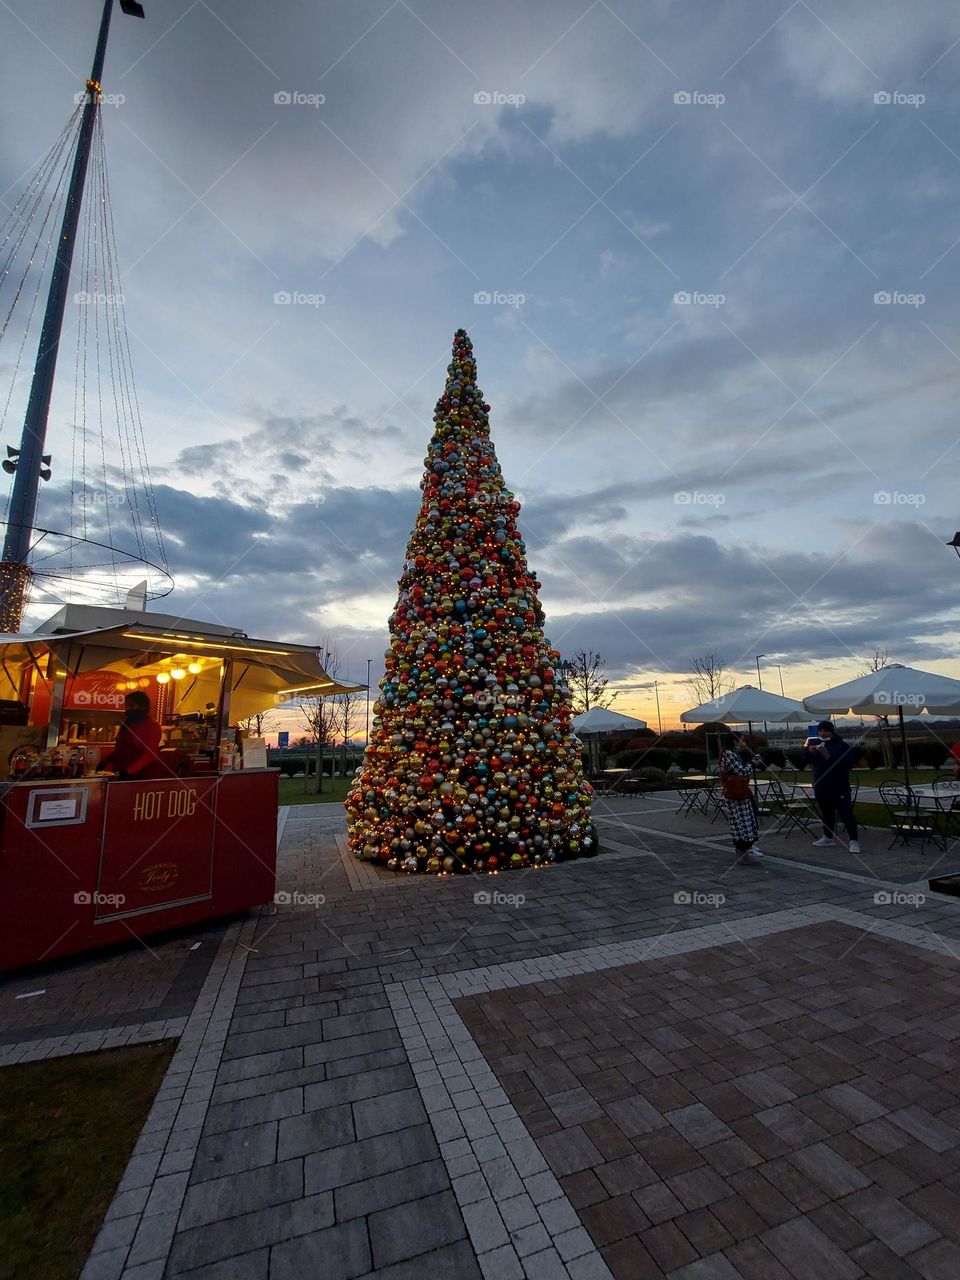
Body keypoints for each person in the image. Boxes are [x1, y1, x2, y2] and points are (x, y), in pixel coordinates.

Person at [803, 720, 860, 853]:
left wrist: (827, 755)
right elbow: (805, 759)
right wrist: (809, 752)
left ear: (831, 731)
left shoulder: (841, 745)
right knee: (826, 813)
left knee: (845, 813)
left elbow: (846, 763)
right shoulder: (815, 743)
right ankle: (827, 837)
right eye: (820, 731)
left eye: (825, 731)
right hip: (820, 784)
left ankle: (854, 840)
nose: (822, 733)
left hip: (838, 785)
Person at [719, 732, 764, 866]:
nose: (743, 743)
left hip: (739, 793)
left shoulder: (731, 753)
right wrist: (753, 764)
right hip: (736, 794)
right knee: (741, 823)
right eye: (742, 741)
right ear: (734, 741)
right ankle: (742, 853)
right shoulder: (729, 754)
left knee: (743, 822)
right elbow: (741, 771)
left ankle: (745, 851)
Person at [98, 691, 164, 780]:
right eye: (126, 706)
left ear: (142, 707)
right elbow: (123, 749)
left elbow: (150, 755)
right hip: (123, 773)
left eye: (131, 706)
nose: (128, 709)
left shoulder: (151, 726)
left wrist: (129, 771)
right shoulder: (130, 724)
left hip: (140, 777)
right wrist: (105, 761)